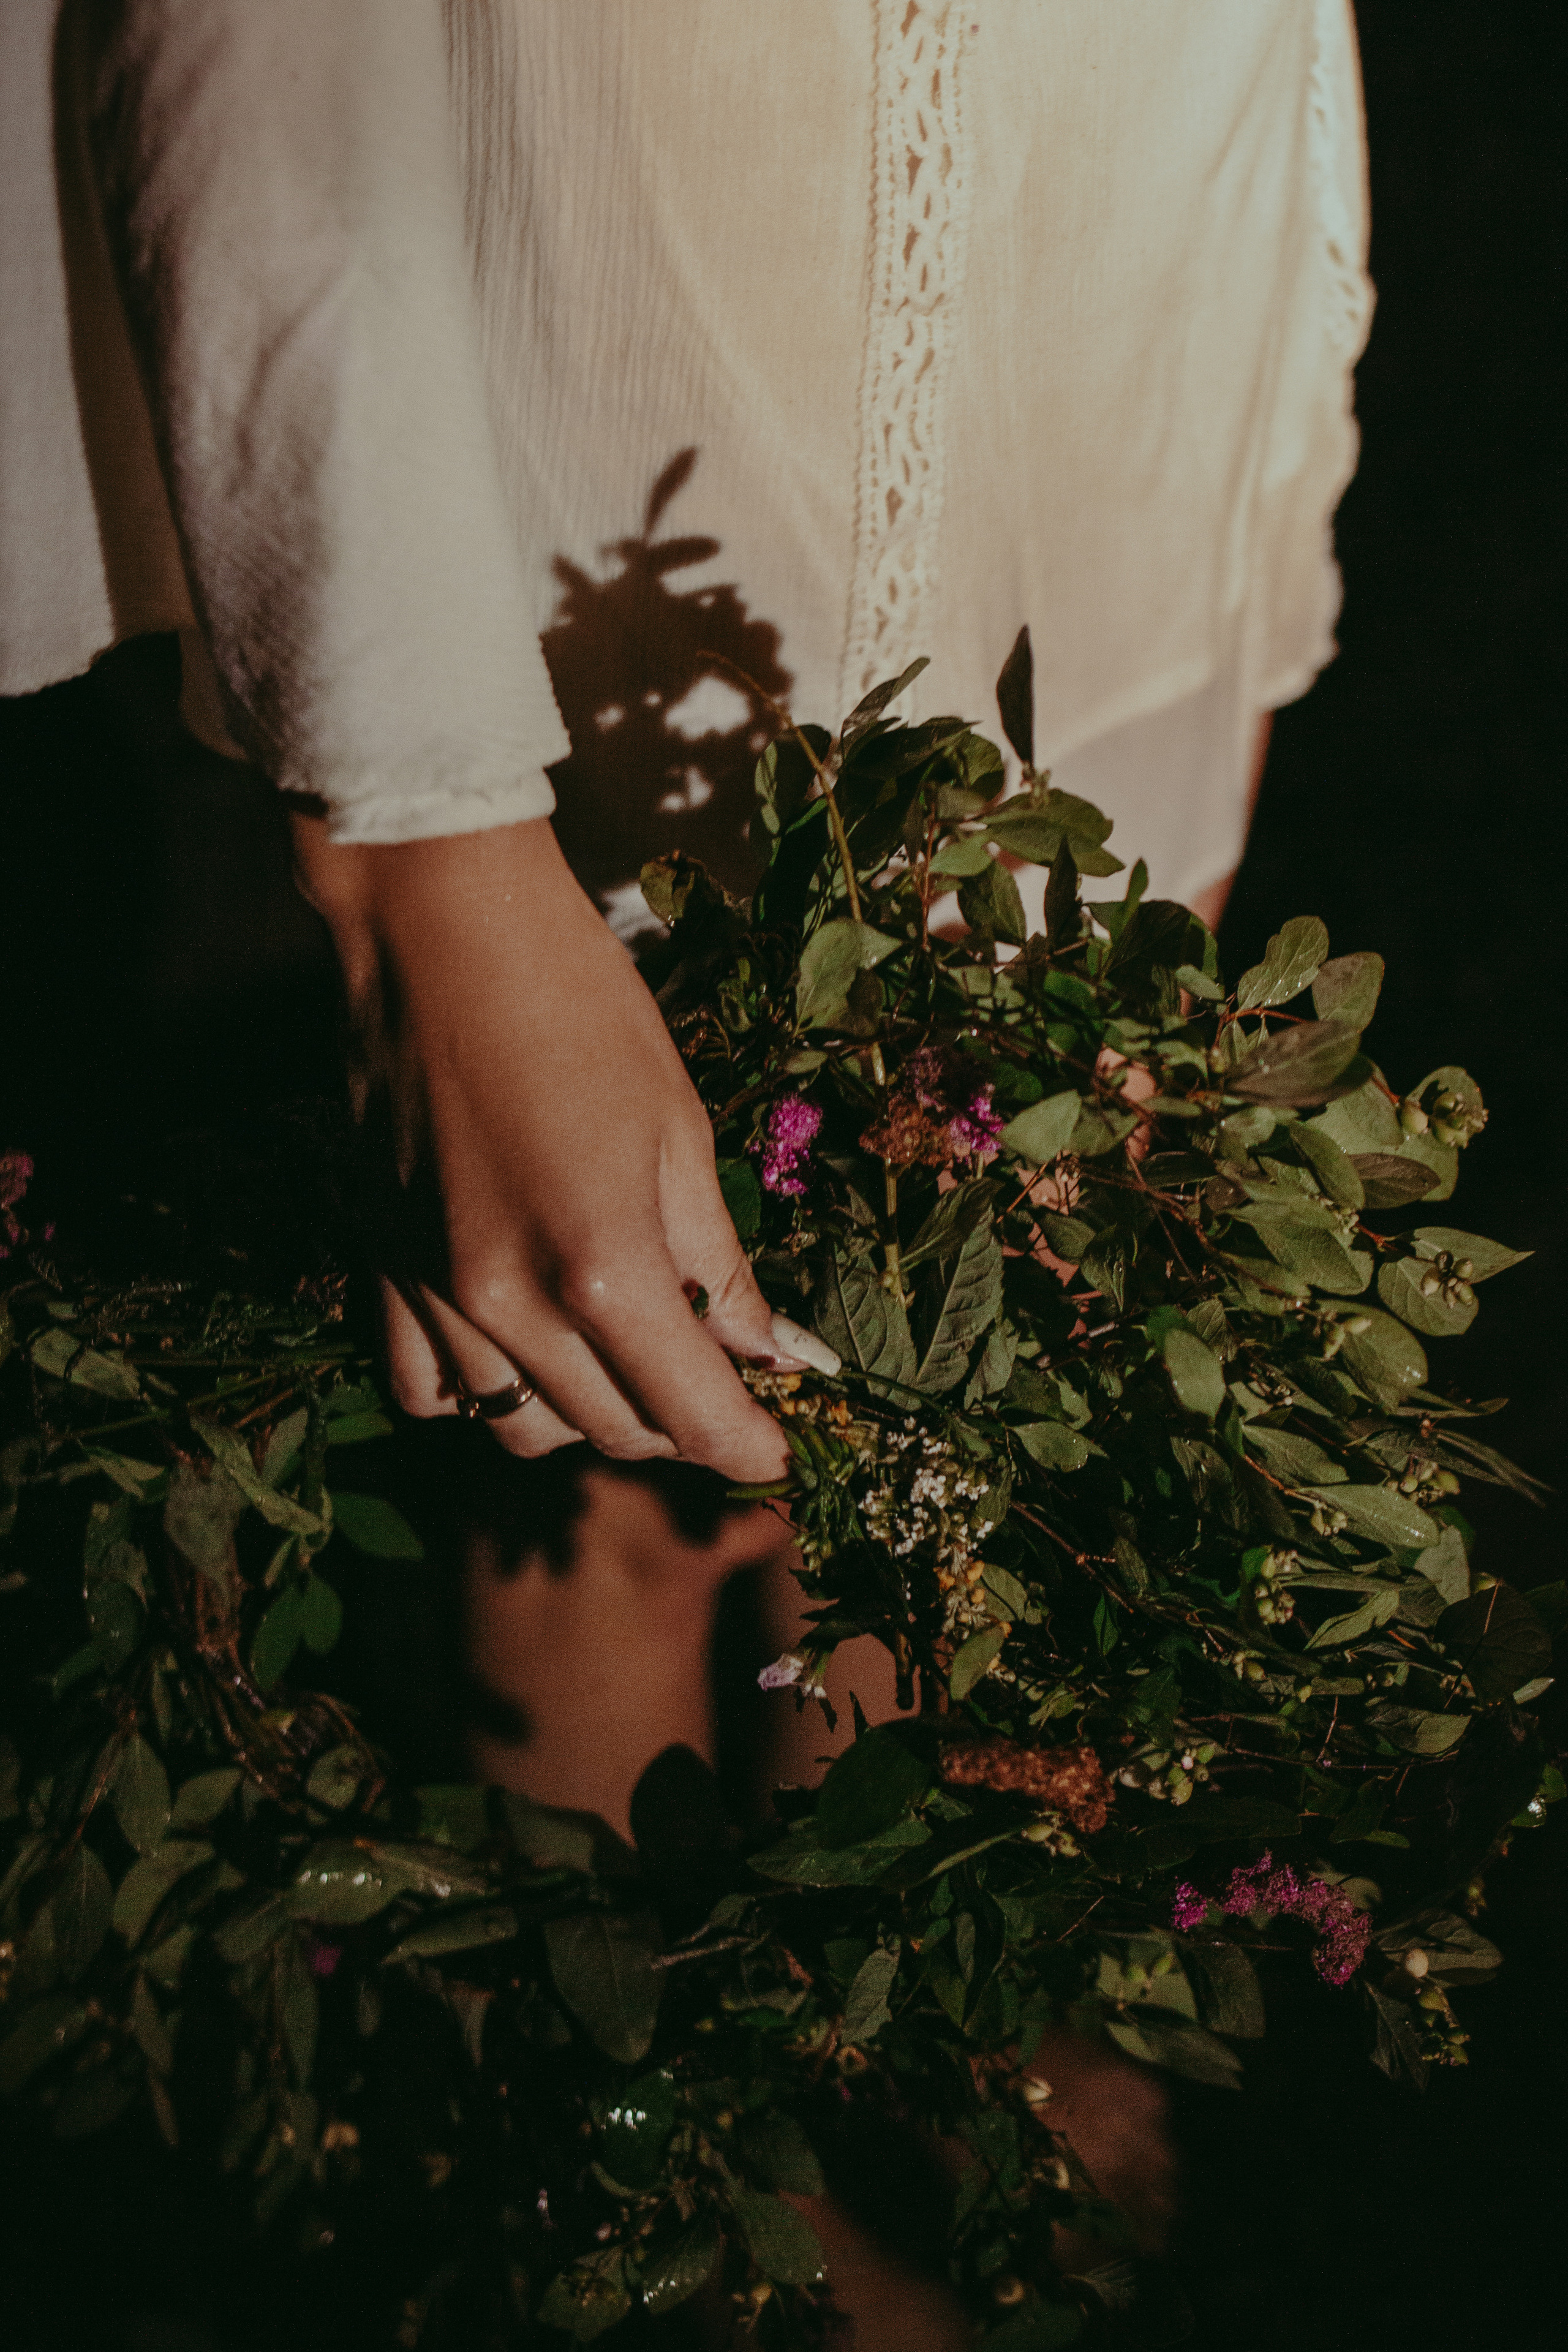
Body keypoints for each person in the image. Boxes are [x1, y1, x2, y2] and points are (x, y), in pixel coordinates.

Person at [2, 5, 1371, 2332]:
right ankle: (648, 2153)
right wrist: (421, 838)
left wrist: (1251, 451)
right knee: (612, 1420)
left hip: (1108, 297)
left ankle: (877, 1957)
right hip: (603, 360)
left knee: (976, 1296)